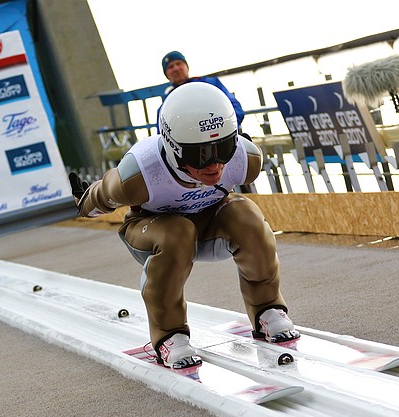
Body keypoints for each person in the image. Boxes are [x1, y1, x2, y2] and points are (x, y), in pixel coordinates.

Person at [69, 82, 299, 370]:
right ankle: (169, 335)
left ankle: (267, 309)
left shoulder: (246, 158)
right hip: (152, 230)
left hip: (207, 223)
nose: (215, 165)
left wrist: (218, 153)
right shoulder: (139, 174)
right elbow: (100, 196)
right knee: (178, 232)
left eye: (225, 148)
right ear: (172, 147)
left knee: (247, 214)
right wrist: (81, 205)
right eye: (200, 155)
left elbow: (227, 163)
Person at [158, 50, 245, 130]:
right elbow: (162, 131)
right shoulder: (166, 102)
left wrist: (227, 129)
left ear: (187, 67)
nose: (176, 69)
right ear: (166, 74)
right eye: (170, 67)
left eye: (178, 63)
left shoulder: (210, 84)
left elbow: (235, 107)